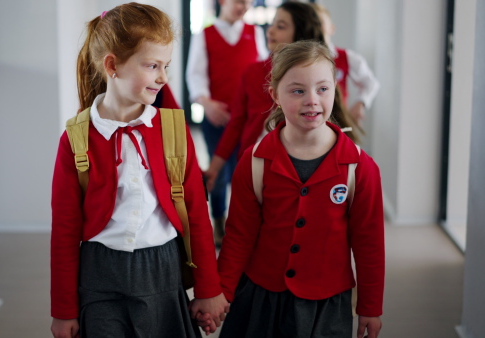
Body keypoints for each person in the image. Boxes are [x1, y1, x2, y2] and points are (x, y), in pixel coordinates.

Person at [49, 3, 228, 338]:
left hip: (163, 274)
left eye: (166, 66)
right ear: (113, 65)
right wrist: (63, 310)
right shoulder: (76, 139)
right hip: (99, 280)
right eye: (152, 65)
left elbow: (196, 215)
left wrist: (208, 288)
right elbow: (64, 231)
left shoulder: (173, 130)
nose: (163, 77)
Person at [212, 41, 385, 337]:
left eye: (322, 89)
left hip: (327, 304)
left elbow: (369, 244)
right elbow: (238, 235)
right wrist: (222, 293)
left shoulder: (360, 167)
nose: (312, 100)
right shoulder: (254, 162)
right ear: (275, 95)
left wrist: (370, 307)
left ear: (336, 91)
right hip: (260, 298)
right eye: (297, 90)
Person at [204, 1, 361, 192]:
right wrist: (214, 168)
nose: (270, 32)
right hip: (254, 169)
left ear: (300, 33)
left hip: (300, 172)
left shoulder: (321, 77)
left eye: (281, 26)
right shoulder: (252, 73)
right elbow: (236, 124)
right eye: (271, 25)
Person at [186, 0, 269, 247]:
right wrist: (207, 103)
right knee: (219, 172)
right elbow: (195, 74)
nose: (244, 6)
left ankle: (245, 224)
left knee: (245, 171)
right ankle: (219, 221)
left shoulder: (254, 32)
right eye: (239, 1)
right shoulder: (206, 35)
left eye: (248, 2)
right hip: (218, 117)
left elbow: (264, 71)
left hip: (249, 119)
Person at [312, 3, 380, 126]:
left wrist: (361, 102)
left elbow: (370, 82)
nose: (315, 27)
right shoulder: (300, 60)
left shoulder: (346, 57)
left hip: (338, 122)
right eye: (311, 23)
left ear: (331, 28)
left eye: (319, 23)